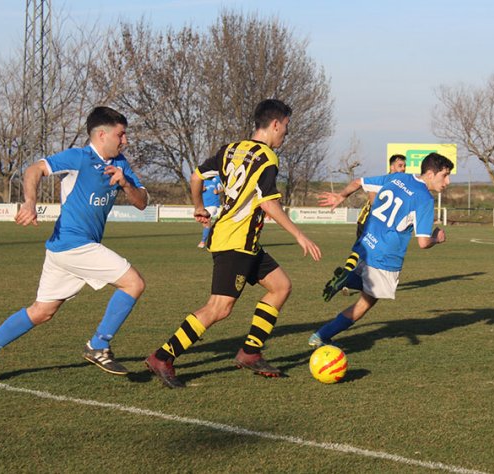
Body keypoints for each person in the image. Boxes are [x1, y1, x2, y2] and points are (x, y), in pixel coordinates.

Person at [145, 99, 322, 389]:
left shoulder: (230, 149)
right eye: (286, 128)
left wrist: (199, 206)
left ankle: (250, 352)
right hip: (235, 242)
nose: (285, 134)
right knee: (219, 307)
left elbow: (196, 176)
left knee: (280, 286)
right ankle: (162, 356)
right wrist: (299, 235)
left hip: (243, 241)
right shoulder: (267, 158)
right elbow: (269, 204)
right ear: (275, 124)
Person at [0, 106, 148, 382]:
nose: (125, 141)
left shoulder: (121, 164)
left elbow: (142, 202)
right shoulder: (80, 157)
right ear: (101, 135)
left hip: (64, 249)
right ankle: (98, 345)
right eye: (121, 135)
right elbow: (34, 169)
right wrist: (29, 202)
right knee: (134, 283)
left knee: (42, 311)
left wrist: (125, 185)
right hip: (74, 243)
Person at [308, 152, 453, 348]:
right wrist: (438, 238)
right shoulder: (425, 199)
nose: (448, 181)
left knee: (368, 294)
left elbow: (359, 181)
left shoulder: (398, 177)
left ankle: (346, 283)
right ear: (429, 174)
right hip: (386, 255)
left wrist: (341, 195)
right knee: (368, 300)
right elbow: (423, 243)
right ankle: (322, 333)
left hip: (366, 243)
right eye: (444, 175)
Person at [322, 154, 407, 301]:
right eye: (400, 165)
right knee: (368, 252)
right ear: (392, 166)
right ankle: (349, 278)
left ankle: (347, 276)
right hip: (370, 220)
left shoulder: (400, 184)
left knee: (362, 251)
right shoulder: (384, 180)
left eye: (405, 166)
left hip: (375, 222)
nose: (403, 169)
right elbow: (373, 199)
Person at [198, 175, 223, 248]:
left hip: (213, 205)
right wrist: (201, 189)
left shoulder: (217, 178)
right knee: (205, 224)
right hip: (204, 205)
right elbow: (196, 190)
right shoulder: (202, 181)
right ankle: (213, 239)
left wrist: (218, 191)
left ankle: (202, 242)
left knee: (207, 221)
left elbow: (225, 187)